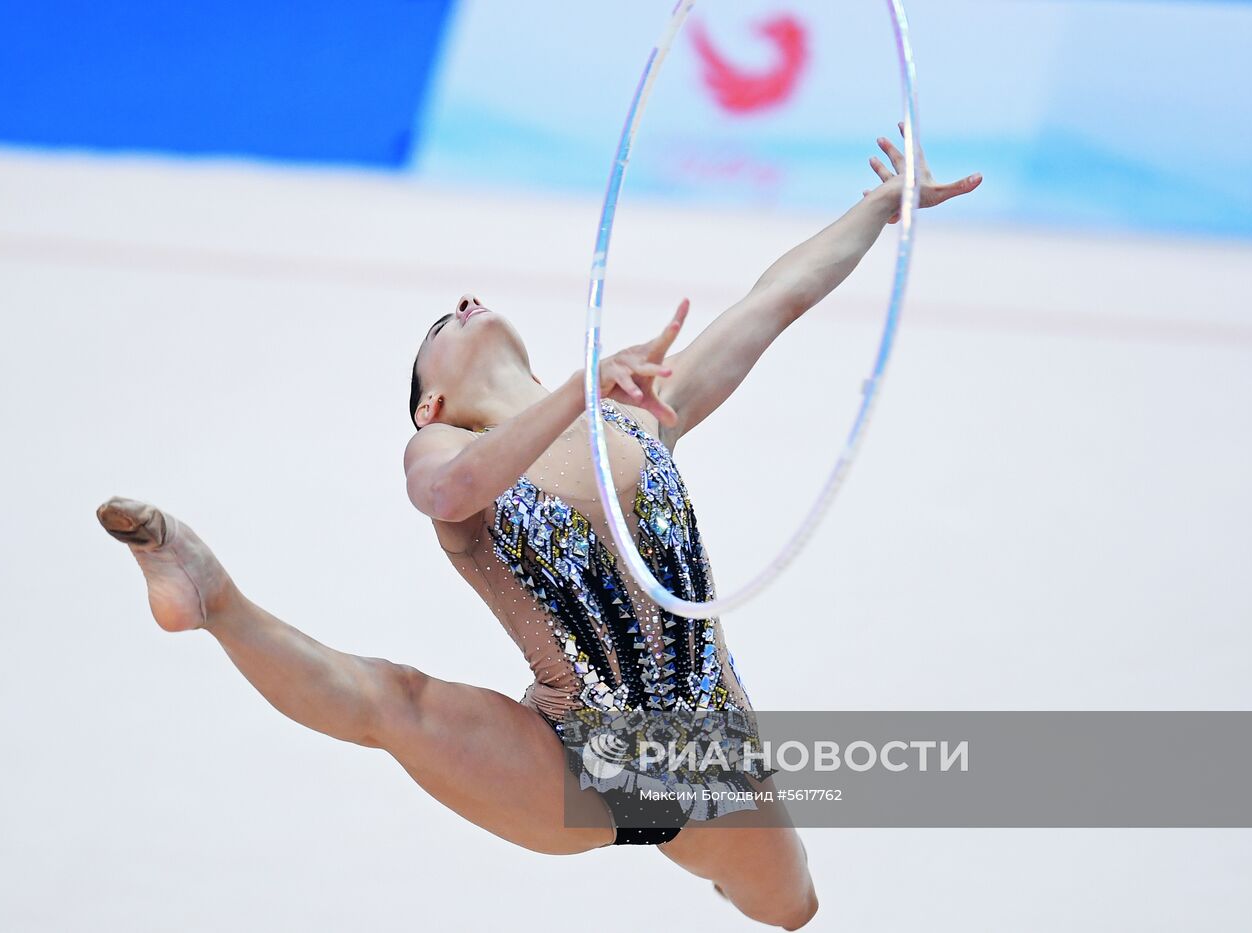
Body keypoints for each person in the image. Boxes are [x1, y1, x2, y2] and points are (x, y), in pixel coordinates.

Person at [98, 125, 979, 930]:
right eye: (444, 322)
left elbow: (772, 299)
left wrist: (874, 211)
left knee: (792, 907)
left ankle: (719, 863)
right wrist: (580, 390)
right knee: (393, 702)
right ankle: (208, 591)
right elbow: (452, 493)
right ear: (430, 400)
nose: (467, 300)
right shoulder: (443, 442)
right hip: (566, 757)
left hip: (710, 753)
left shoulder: (635, 412)